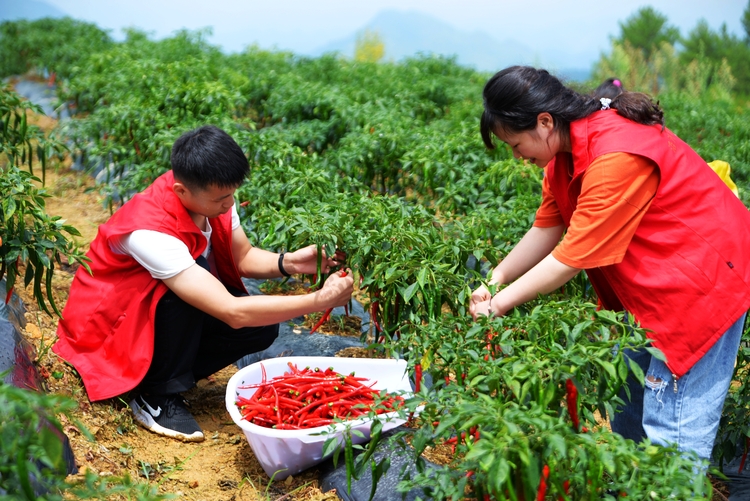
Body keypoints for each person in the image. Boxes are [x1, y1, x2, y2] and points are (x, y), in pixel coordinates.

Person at [470, 66, 750, 463]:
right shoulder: (563, 158)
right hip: (650, 285)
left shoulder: (616, 153)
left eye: (515, 145)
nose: (517, 156)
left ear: (545, 122)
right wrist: (495, 279)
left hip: (702, 283)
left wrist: (498, 306)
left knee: (671, 433)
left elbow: (569, 257)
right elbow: (548, 228)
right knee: (628, 403)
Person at [54, 125, 354, 442]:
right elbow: (231, 310)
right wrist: (321, 300)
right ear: (182, 190)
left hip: (144, 319)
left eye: (232, 194)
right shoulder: (150, 231)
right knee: (186, 294)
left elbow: (243, 256)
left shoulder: (212, 197)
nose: (229, 204)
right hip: (111, 331)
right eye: (221, 199)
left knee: (262, 325)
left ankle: (162, 376)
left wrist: (290, 262)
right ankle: (155, 395)